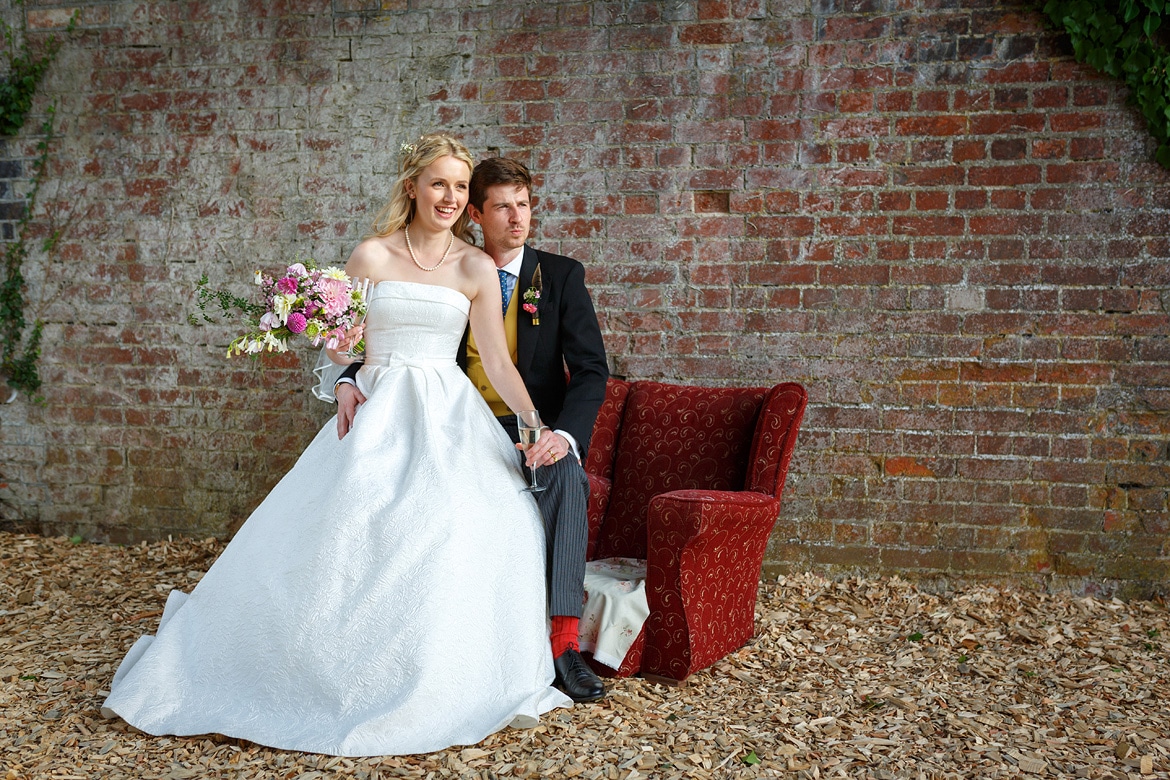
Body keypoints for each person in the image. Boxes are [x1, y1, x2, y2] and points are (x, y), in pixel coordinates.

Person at [100, 134, 573, 757]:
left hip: (446, 413)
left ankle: (442, 668)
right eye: (440, 184)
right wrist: (349, 377)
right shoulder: (372, 255)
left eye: (461, 188)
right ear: (413, 187)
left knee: (475, 523)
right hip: (379, 412)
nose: (452, 198)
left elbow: (496, 361)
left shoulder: (473, 267)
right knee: (352, 529)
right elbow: (341, 338)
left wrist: (534, 424)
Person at [334, 157, 609, 702]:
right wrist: (346, 376)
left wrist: (556, 435)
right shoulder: (447, 263)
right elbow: (379, 332)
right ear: (476, 215)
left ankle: (563, 647)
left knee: (566, 480)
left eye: (524, 204)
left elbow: (591, 370)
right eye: (502, 206)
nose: (517, 217)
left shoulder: (557, 276)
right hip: (447, 417)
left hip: (531, 421)